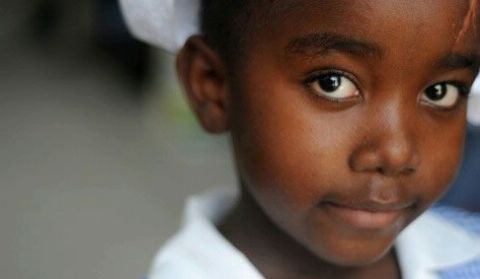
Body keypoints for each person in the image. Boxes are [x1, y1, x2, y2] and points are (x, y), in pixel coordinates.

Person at [120, 1, 480, 278]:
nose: (397, 153)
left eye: (440, 91)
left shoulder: (468, 250)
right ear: (213, 86)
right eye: (332, 83)